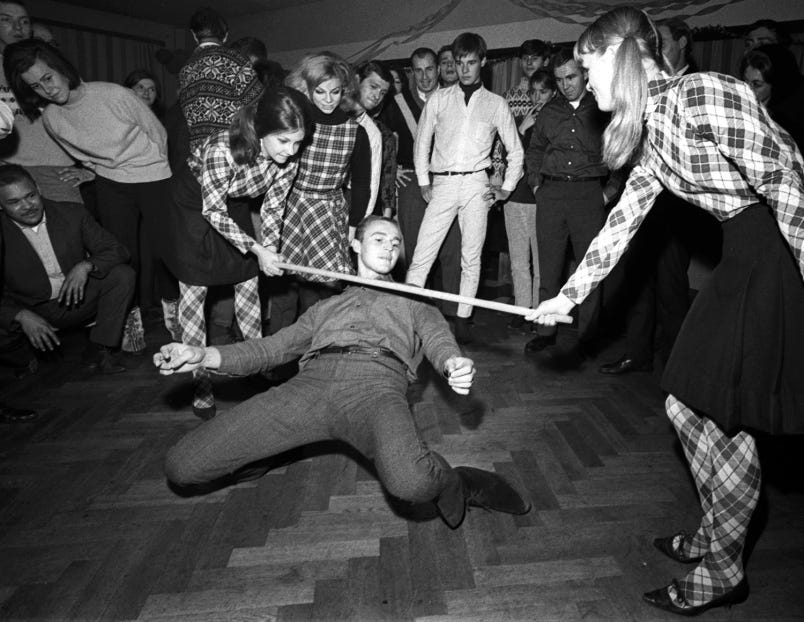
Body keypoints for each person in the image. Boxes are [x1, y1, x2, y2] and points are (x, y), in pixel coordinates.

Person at [528, 7, 804, 615]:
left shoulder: (703, 93)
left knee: (725, 419)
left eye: (589, 63)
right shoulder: (651, 129)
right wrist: (566, 298)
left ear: (623, 54)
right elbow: (621, 225)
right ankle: (716, 535)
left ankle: (723, 567)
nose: (585, 77)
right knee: (684, 405)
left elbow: (789, 180)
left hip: (774, 258)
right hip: (743, 258)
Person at [155, 215, 530, 530]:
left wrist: (452, 364)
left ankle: (458, 482)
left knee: (413, 482)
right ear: (355, 245)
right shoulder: (325, 308)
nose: (388, 247)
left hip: (376, 387)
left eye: (396, 242)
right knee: (183, 466)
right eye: (379, 238)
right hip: (309, 386)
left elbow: (437, 339)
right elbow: (271, 350)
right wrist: (202, 355)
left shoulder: (414, 300)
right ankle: (264, 452)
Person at [4, 39, 172, 354]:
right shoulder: (53, 118)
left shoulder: (113, 94)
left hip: (154, 176)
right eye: (36, 86)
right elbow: (81, 154)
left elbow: (158, 134)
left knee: (166, 250)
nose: (47, 89)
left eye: (48, 78)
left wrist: (154, 172)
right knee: (124, 255)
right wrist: (93, 171)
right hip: (112, 183)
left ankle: (175, 316)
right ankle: (130, 324)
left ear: (61, 68)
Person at [163, 86, 312, 419]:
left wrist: (269, 250)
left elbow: (274, 207)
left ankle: (257, 370)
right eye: (284, 141)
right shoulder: (223, 148)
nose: (291, 151)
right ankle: (201, 385)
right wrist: (256, 247)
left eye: (298, 142)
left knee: (248, 284)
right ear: (260, 130)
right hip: (193, 206)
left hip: (235, 204)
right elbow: (213, 211)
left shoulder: (287, 158)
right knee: (195, 293)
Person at [406, 33, 523, 344]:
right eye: (459, 63)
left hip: (476, 184)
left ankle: (462, 321)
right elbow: (421, 143)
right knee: (422, 255)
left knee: (471, 258)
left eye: (471, 62)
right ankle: (406, 320)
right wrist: (423, 181)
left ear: (482, 62)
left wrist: (506, 188)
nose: (465, 69)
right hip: (442, 183)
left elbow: (516, 150)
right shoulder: (439, 99)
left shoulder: (496, 104)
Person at [524, 46, 619, 355]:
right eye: (560, 79)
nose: (566, 84)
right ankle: (545, 331)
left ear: (584, 73)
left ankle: (588, 338)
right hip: (551, 194)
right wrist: (536, 183)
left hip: (588, 195)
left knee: (589, 269)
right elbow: (535, 149)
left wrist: (608, 192)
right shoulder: (549, 111)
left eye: (571, 77)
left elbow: (622, 153)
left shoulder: (604, 107)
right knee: (549, 268)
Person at [0, 164, 135, 375]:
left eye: (31, 195)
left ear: (38, 188)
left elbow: (117, 250)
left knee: (122, 275)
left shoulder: (71, 213)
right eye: (14, 202)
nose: (27, 206)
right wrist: (20, 315)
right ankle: (21, 358)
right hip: (29, 307)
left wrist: (86, 265)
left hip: (74, 300)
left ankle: (99, 348)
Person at [269, 52, 371, 332]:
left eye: (335, 92)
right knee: (284, 290)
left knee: (321, 293)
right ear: (307, 89)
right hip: (291, 208)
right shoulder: (295, 123)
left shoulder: (355, 132)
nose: (328, 99)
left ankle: (317, 356)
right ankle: (276, 364)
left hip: (328, 212)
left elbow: (362, 183)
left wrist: (353, 225)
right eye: (320, 91)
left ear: (345, 91)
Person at [503, 69, 556, 329]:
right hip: (515, 198)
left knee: (541, 263)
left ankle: (537, 311)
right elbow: (509, 159)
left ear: (553, 92)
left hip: (542, 200)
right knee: (518, 261)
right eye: (533, 91)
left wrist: (524, 134)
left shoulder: (556, 122)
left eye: (542, 91)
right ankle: (521, 310)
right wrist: (521, 128)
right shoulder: (523, 120)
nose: (537, 97)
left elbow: (543, 163)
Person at [740, 43, 804, 150]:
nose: (748, 89)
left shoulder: (790, 122)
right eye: (745, 82)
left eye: (757, 84)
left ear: (776, 85)